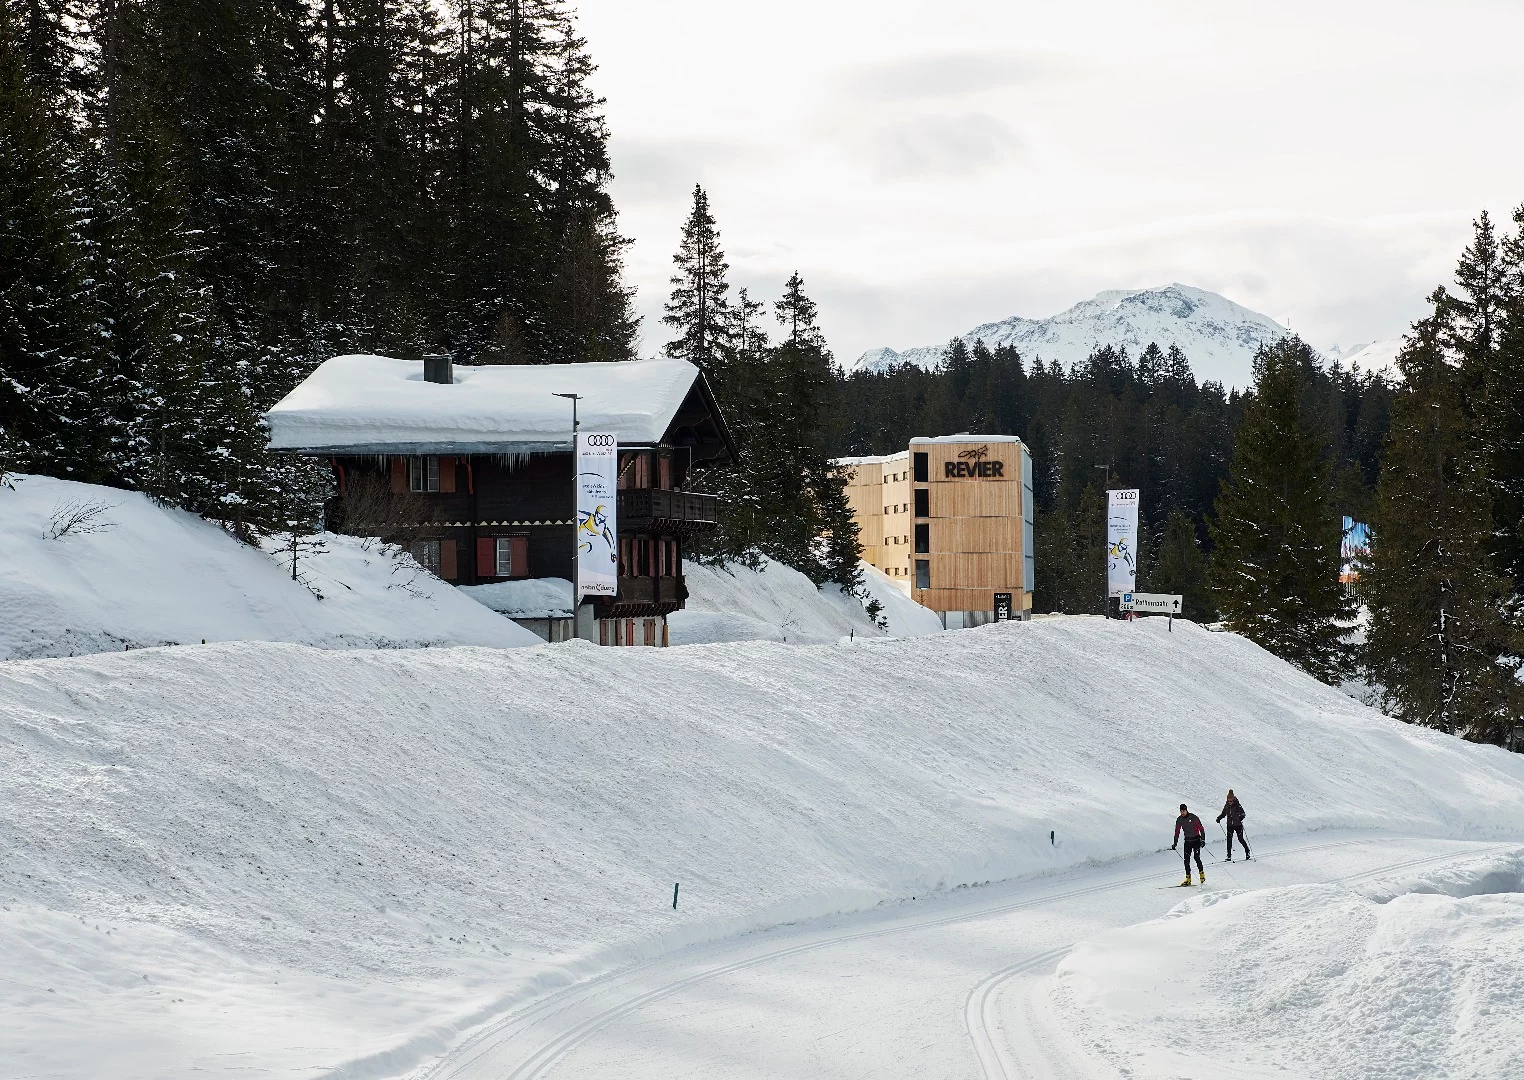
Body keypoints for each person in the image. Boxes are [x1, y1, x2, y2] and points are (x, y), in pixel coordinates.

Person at [1171, 803, 1207, 886]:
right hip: (1187, 841)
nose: (1182, 813)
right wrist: (1175, 843)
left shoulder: (1193, 817)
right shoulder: (1179, 819)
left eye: (1184, 811)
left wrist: (1203, 839)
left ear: (1187, 810)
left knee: (1196, 857)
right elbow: (1177, 832)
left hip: (1196, 840)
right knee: (1186, 860)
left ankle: (1202, 875)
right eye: (1181, 811)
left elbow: (1201, 829)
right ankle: (1188, 878)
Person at [1216, 789, 1251, 861]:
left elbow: (1243, 814)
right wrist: (1219, 818)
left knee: (1240, 839)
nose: (1229, 802)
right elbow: (1223, 814)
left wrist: (1240, 818)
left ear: (1233, 799)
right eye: (1228, 801)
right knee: (1229, 840)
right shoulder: (1226, 806)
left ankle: (1247, 851)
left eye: (1231, 801)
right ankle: (1229, 856)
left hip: (1238, 825)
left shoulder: (1238, 805)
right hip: (1230, 826)